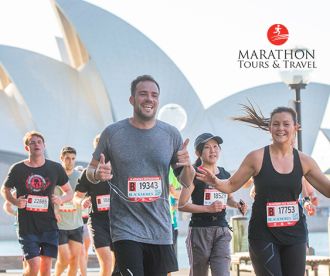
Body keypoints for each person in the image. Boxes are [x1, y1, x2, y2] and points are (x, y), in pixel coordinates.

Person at [196, 106, 330, 276]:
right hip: (263, 235)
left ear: (295, 127)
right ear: (269, 128)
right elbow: (230, 185)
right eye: (276, 124)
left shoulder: (305, 161)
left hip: (295, 235)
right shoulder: (256, 158)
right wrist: (214, 181)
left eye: (286, 124)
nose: (281, 128)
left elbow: (327, 189)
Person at [86, 75, 194, 276]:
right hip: (125, 228)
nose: (149, 99)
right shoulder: (112, 133)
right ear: (132, 99)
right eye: (143, 94)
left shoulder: (171, 134)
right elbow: (90, 172)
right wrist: (98, 173)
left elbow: (186, 181)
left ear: (158, 101)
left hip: (160, 228)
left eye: (154, 95)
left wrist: (188, 165)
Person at [1, 131, 73, 276]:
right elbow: (4, 189)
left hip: (49, 225)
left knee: (45, 269)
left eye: (39, 142)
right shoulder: (18, 169)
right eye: (32, 142)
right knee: (34, 266)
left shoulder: (55, 168)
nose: (36, 145)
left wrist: (61, 200)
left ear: (44, 145)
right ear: (27, 148)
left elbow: (69, 192)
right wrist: (15, 201)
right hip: (27, 226)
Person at [179, 133, 247, 276]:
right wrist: (207, 209)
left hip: (221, 229)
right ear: (198, 153)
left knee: (222, 273)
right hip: (199, 231)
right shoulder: (194, 174)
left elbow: (228, 198)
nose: (213, 150)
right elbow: (182, 205)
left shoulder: (224, 174)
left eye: (216, 147)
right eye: (207, 147)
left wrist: (237, 205)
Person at [74, 134, 114, 276]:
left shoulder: (120, 170)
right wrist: (82, 201)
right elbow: (76, 197)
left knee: (117, 265)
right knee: (107, 261)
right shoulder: (88, 173)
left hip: (119, 222)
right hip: (97, 221)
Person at [54, 146, 83, 276]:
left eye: (73, 159)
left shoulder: (80, 177)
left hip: (76, 224)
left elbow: (85, 195)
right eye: (67, 158)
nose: (70, 161)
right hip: (59, 225)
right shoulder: (54, 176)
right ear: (61, 158)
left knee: (75, 261)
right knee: (64, 259)